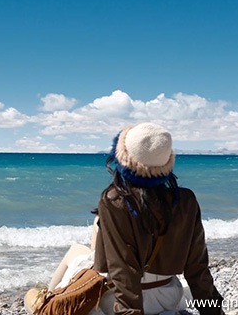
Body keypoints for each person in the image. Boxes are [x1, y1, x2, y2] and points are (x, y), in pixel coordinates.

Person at [30, 123, 224, 315]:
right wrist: (214, 313)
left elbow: (123, 271)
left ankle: (46, 297)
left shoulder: (114, 201)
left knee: (35, 297)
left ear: (123, 160)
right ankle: (48, 294)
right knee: (81, 250)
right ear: (166, 164)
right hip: (168, 297)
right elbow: (197, 270)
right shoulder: (185, 201)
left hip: (116, 302)